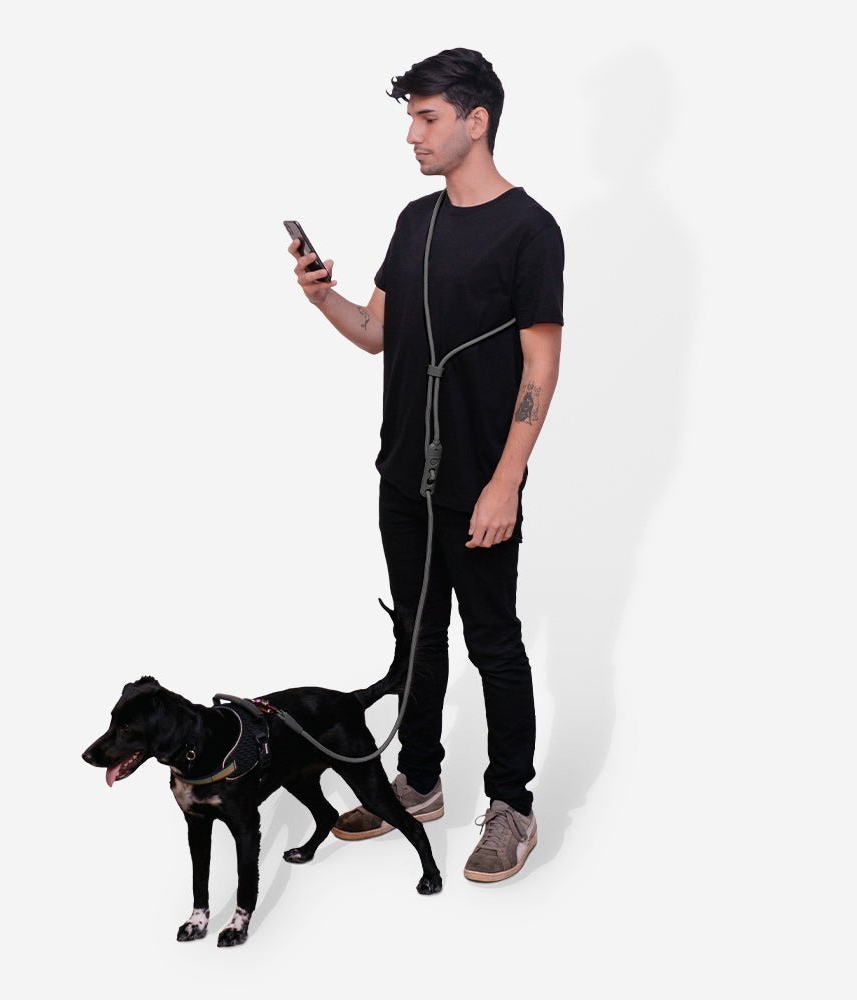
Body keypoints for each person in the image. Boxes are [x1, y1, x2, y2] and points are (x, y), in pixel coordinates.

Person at [287, 48, 564, 883]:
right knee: (415, 637)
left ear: (477, 121)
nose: (412, 134)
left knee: (494, 643)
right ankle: (418, 780)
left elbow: (541, 367)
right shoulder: (415, 220)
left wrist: (506, 483)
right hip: (403, 476)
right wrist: (321, 296)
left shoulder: (530, 230)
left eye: (427, 117)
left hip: (480, 484)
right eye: (411, 117)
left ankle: (511, 806)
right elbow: (377, 333)